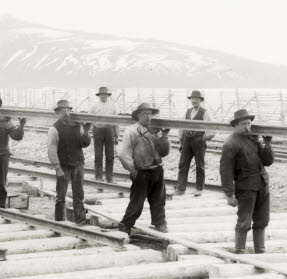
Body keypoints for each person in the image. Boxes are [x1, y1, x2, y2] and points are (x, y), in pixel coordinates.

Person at [219, 109, 275, 254]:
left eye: (249, 123)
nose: (247, 127)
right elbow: (225, 172)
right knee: (244, 221)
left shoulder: (253, 139)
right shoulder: (230, 144)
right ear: (235, 125)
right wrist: (229, 195)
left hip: (262, 184)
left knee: (262, 219)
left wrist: (267, 144)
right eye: (244, 124)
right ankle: (239, 251)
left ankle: (260, 250)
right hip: (245, 188)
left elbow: (267, 161)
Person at [117, 103, 171, 236]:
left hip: (157, 170)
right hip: (142, 172)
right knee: (137, 201)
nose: (148, 117)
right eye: (145, 114)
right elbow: (123, 154)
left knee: (159, 200)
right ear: (138, 115)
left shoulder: (154, 131)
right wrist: (133, 170)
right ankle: (126, 225)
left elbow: (164, 153)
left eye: (150, 114)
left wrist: (164, 137)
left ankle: (160, 224)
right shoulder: (132, 131)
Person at [47, 99, 91, 223]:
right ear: (58, 113)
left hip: (78, 164)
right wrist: (57, 168)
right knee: (61, 197)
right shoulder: (54, 129)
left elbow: (84, 144)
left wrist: (86, 132)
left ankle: (80, 221)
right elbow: (51, 150)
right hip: (63, 166)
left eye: (68, 110)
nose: (66, 113)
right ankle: (60, 222)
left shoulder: (78, 125)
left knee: (79, 196)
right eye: (63, 111)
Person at [174, 90, 215, 197]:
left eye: (196, 99)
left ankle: (199, 188)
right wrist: (181, 142)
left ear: (200, 100)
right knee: (183, 164)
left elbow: (213, 127)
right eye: (192, 99)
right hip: (187, 141)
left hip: (199, 142)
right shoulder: (187, 112)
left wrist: (205, 137)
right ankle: (180, 189)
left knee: (199, 166)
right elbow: (181, 127)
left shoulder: (205, 112)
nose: (194, 101)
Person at [89, 86, 119, 183]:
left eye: (105, 95)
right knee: (98, 155)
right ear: (99, 95)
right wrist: (93, 129)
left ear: (107, 95)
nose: (103, 97)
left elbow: (116, 121)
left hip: (109, 130)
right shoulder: (94, 105)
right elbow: (90, 118)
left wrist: (116, 135)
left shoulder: (113, 105)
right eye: (101, 95)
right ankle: (98, 177)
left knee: (110, 155)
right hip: (98, 130)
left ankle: (109, 178)